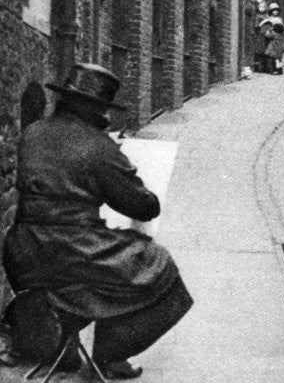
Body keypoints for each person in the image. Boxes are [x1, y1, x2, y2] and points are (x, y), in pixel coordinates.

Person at [2, 63, 193, 380]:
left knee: (111, 263)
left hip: (22, 251)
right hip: (75, 251)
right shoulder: (99, 147)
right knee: (158, 266)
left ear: (64, 99)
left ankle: (55, 324)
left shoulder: (33, 132)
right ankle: (110, 355)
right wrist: (125, 169)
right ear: (98, 108)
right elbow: (143, 207)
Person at [260, 2, 284, 75]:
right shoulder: (269, 18)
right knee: (271, 55)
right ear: (271, 11)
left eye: (276, 10)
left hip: (276, 37)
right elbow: (265, 25)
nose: (275, 12)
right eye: (274, 10)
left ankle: (277, 69)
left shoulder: (279, 19)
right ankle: (271, 69)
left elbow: (282, 29)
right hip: (270, 38)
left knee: (276, 56)